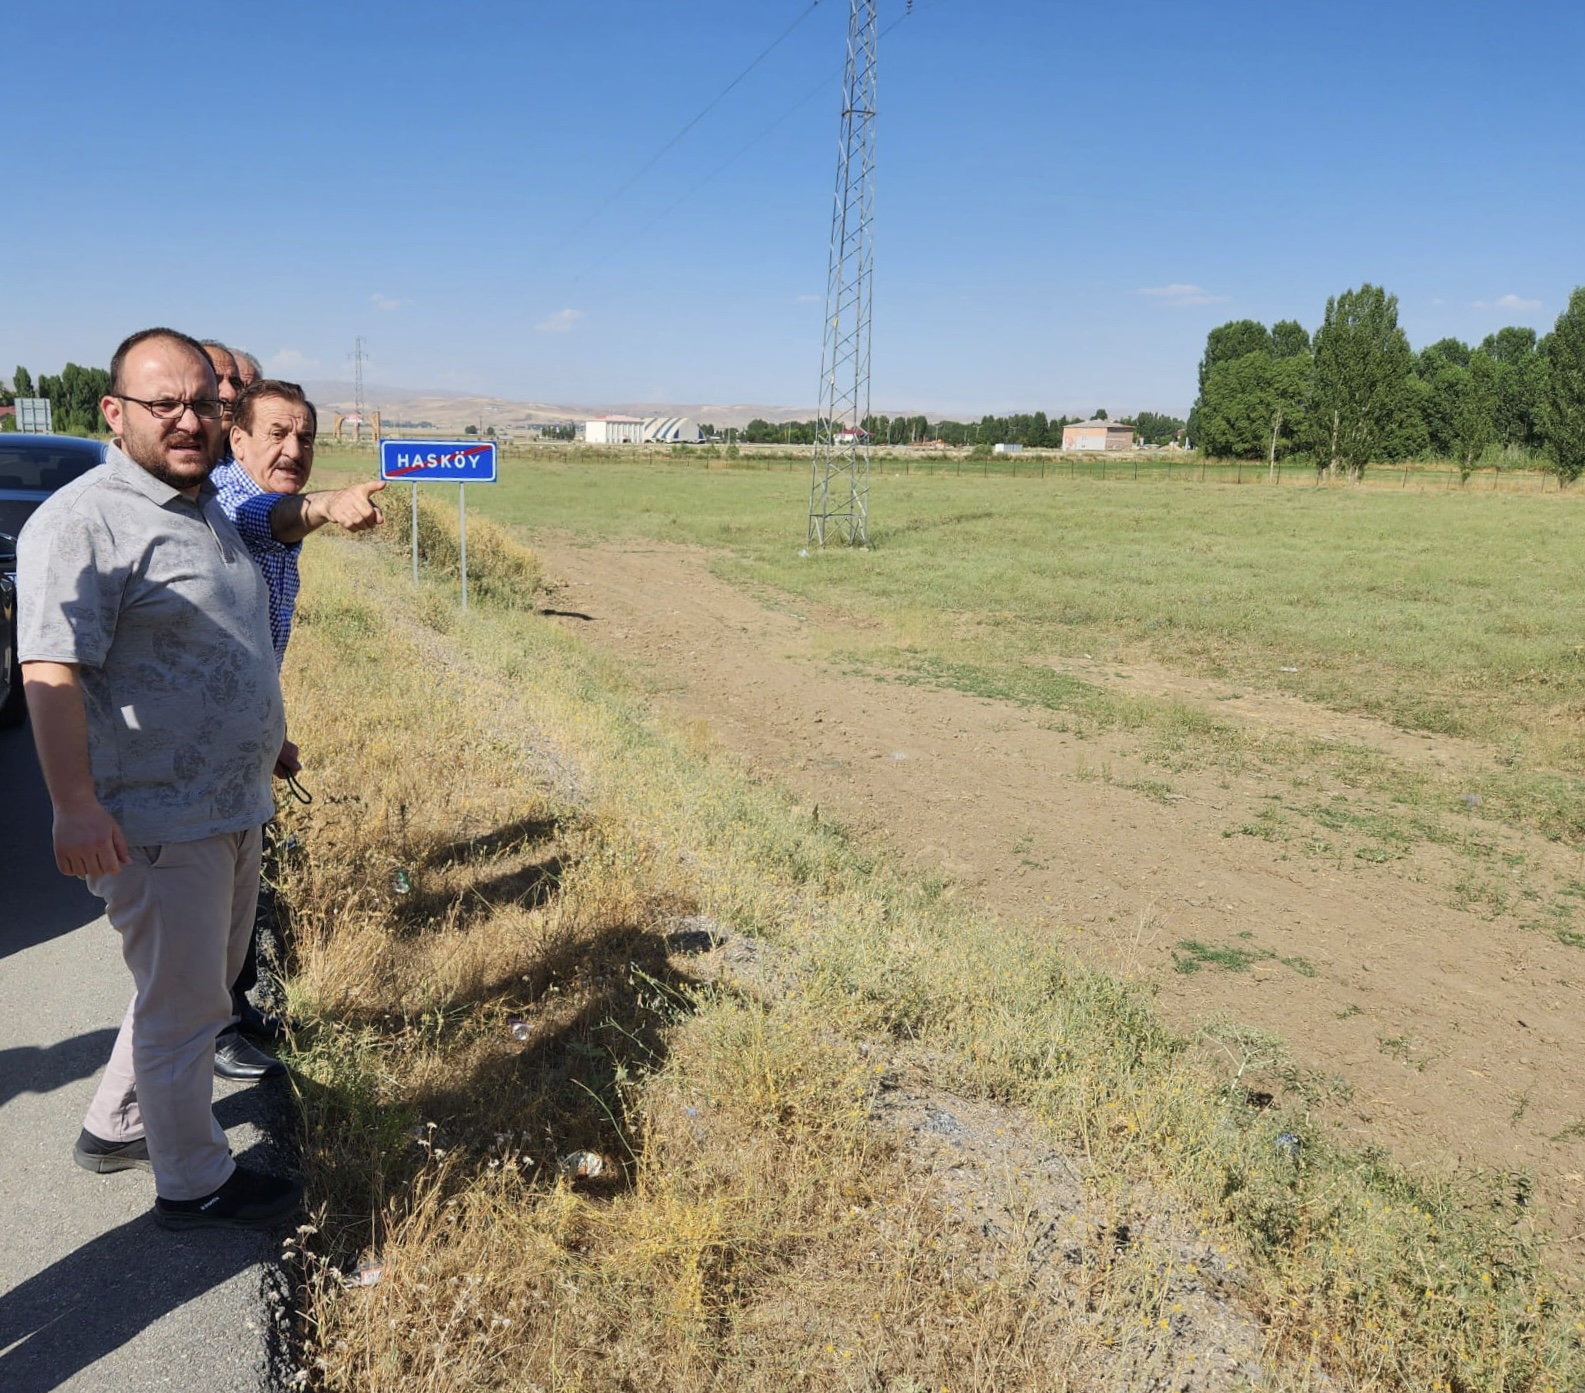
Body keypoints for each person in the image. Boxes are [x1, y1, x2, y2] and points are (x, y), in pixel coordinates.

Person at [17, 327, 303, 1230]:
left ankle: (117, 1122)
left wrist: (267, 737)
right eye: (163, 404)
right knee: (185, 1011)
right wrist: (73, 805)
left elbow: (215, 644)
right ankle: (194, 1182)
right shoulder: (83, 521)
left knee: (191, 991)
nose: (188, 420)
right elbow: (50, 669)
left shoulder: (203, 505)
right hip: (157, 818)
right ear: (115, 412)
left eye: (203, 404)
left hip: (229, 802)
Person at [208, 379, 385, 1078]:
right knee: (210, 905)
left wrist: (271, 735)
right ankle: (208, 1037)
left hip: (242, 736)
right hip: (204, 748)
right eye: (277, 434)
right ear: (238, 439)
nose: (294, 449)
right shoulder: (232, 502)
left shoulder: (260, 498)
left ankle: (230, 1010)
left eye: (305, 437)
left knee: (237, 896)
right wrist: (327, 505)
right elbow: (272, 518)